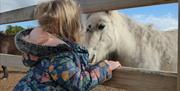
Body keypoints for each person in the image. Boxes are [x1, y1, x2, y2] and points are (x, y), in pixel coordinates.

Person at [13, 0, 121, 91]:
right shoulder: (59, 54)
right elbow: (79, 83)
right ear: (71, 25)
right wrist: (105, 68)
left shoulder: (41, 48)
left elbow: (72, 71)